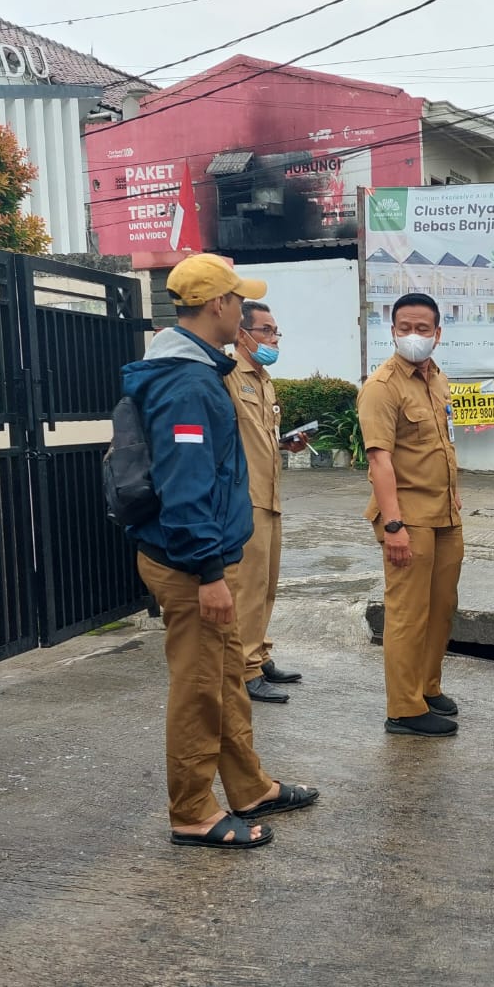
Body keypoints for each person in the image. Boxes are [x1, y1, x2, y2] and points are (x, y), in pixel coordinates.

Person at [123, 254, 318, 850]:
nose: (242, 309)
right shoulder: (187, 384)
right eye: (237, 300)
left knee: (229, 675)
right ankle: (192, 812)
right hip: (189, 563)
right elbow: (186, 487)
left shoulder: (195, 368)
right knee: (200, 687)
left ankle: (249, 785)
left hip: (200, 557)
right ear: (217, 306)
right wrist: (209, 571)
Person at [357, 293, 464, 738]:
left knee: (441, 609)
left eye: (423, 328)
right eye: (404, 327)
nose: (413, 336)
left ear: (438, 333)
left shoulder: (437, 379)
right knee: (407, 613)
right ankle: (403, 708)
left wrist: (455, 498)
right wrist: (394, 524)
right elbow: (380, 460)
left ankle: (426, 687)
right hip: (409, 519)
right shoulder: (382, 386)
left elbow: (445, 442)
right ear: (393, 330)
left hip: (444, 515)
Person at [229, 300, 305, 703]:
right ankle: (244, 669)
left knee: (268, 583)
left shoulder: (265, 379)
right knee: (250, 587)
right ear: (243, 334)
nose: (274, 339)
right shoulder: (227, 376)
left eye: (276, 332)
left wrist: (285, 444)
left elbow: (259, 436)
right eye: (266, 331)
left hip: (271, 493)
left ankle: (260, 654)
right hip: (247, 497)